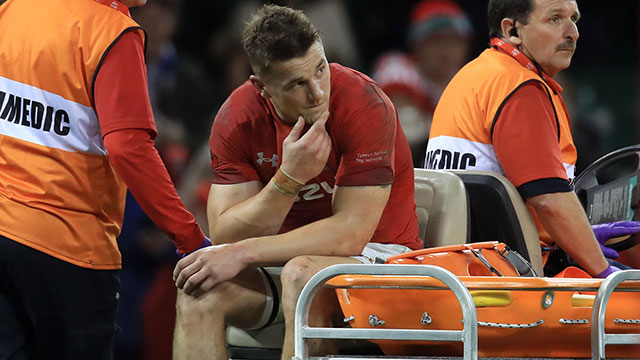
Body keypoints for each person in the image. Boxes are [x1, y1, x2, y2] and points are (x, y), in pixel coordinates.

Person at [172, 4, 421, 359]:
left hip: (381, 259)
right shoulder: (237, 119)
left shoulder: (365, 104)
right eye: (297, 84)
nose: (318, 93)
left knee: (303, 276)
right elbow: (227, 233)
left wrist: (242, 252)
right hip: (285, 262)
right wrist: (288, 180)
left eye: (320, 69)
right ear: (262, 87)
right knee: (200, 291)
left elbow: (352, 233)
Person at [0, 0, 209, 358]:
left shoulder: (15, 7)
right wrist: (190, 237)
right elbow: (129, 148)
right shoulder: (113, 31)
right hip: (70, 247)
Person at [425, 0, 639, 277]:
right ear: (512, 30)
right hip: (515, 274)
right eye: (555, 19)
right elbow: (549, 199)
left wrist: (581, 237)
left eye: (574, 19)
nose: (573, 32)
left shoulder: (473, 75)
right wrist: (603, 271)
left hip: (467, 265)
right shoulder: (520, 88)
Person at [372, 0, 472, 167]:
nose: (446, 49)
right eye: (435, 40)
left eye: (453, 40)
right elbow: (405, 130)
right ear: (417, 46)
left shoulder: (471, 80)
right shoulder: (397, 68)